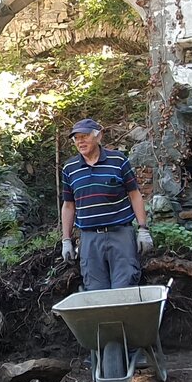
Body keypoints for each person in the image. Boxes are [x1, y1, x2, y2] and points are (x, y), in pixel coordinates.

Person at [60, 118, 153, 290]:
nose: (80, 141)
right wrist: (66, 240)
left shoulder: (118, 160)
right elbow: (68, 205)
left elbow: (134, 195)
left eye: (84, 136)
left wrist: (143, 229)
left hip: (120, 235)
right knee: (95, 289)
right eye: (76, 138)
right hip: (89, 239)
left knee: (125, 285)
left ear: (98, 136)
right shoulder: (70, 168)